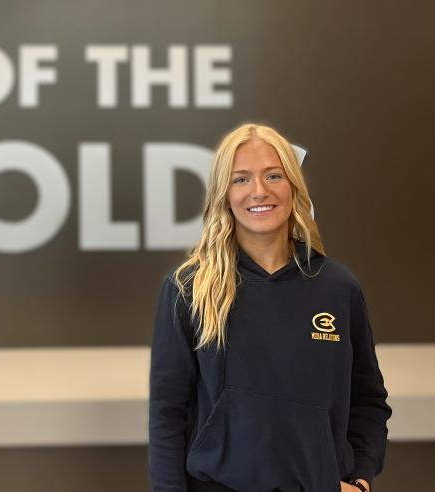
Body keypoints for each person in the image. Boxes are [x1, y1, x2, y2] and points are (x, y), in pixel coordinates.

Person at [148, 123, 392, 492]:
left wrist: (358, 481)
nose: (258, 191)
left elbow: (369, 401)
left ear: (294, 187)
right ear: (224, 194)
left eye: (273, 175)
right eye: (241, 179)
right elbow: (167, 417)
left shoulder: (337, 287)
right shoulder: (189, 288)